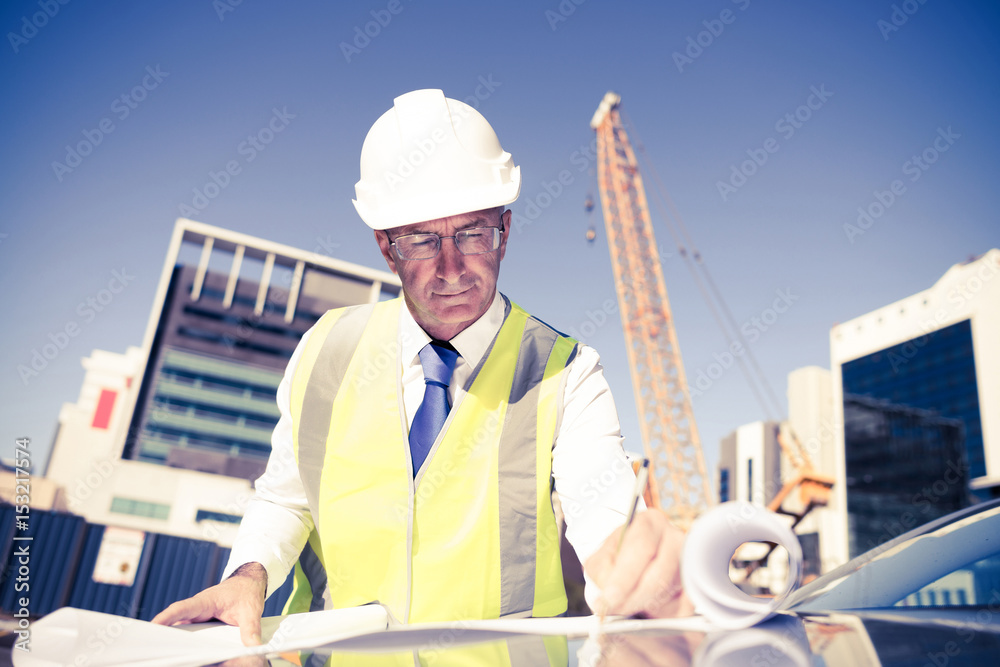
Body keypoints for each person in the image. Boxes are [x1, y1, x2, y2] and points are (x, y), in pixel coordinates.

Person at [153, 89, 691, 646]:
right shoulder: (326, 350)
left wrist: (635, 575)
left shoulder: (568, 373)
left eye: (473, 233)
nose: (452, 267)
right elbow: (286, 498)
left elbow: (604, 516)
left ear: (506, 232)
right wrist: (249, 577)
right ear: (386, 249)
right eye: (421, 240)